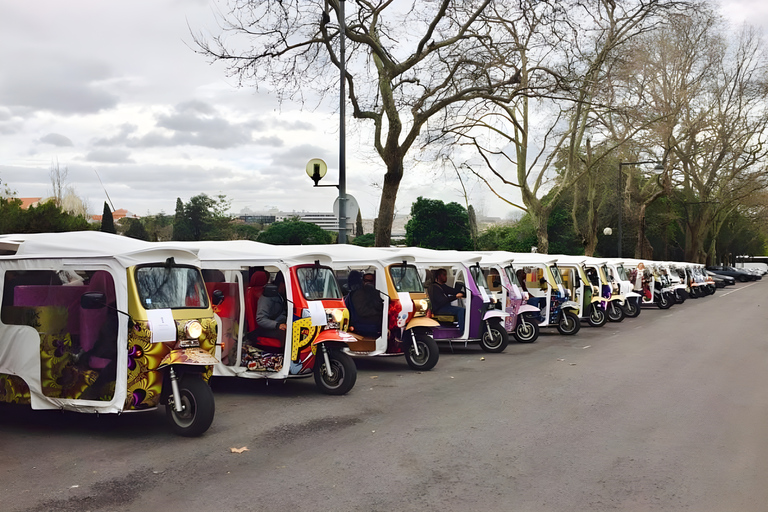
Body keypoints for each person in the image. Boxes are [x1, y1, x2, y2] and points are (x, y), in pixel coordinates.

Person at [347, 272, 384, 336]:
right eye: (366, 280)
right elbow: (362, 311)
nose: (368, 283)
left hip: (376, 323)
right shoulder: (358, 294)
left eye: (371, 281)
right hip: (363, 324)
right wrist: (378, 312)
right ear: (362, 282)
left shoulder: (379, 293)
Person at [255, 272, 287, 342]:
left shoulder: (280, 295)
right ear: (282, 284)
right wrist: (277, 325)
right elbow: (260, 319)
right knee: (288, 334)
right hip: (267, 329)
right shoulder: (267, 296)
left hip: (280, 323)